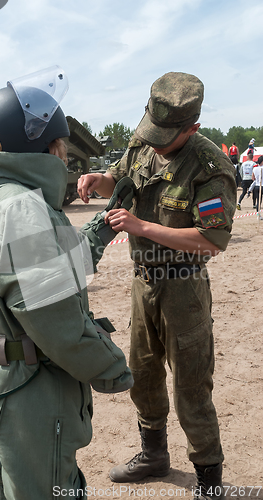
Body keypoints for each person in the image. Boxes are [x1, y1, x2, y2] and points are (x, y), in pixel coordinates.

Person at [0, 66, 133, 500]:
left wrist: (100, 230)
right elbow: (54, 317)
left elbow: (49, 273)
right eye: (60, 148)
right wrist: (113, 369)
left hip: (7, 385)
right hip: (32, 393)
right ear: (40, 148)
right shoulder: (21, 209)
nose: (64, 157)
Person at [78, 72, 237, 500]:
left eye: (167, 136)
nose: (155, 142)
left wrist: (141, 225)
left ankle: (208, 480)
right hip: (143, 283)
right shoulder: (145, 138)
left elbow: (210, 240)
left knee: (191, 385)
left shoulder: (210, 169)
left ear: (192, 128)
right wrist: (100, 180)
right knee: (143, 375)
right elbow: (123, 175)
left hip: (183, 288)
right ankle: (154, 454)